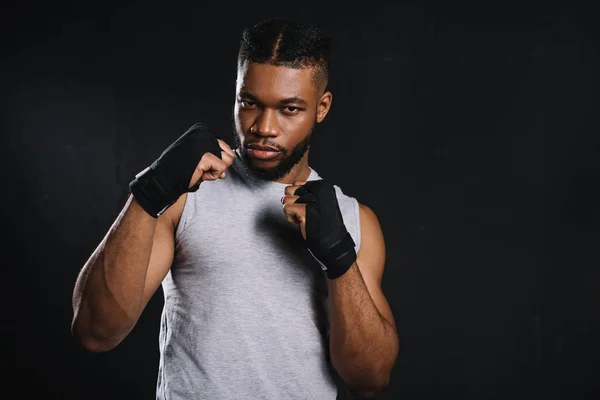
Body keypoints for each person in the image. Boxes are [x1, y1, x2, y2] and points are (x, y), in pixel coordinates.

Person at [71, 17, 399, 400]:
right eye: (250, 103)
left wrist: (340, 258)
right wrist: (149, 192)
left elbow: (370, 379)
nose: (263, 127)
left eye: (289, 109)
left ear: (321, 107)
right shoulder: (185, 192)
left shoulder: (355, 220)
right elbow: (95, 332)